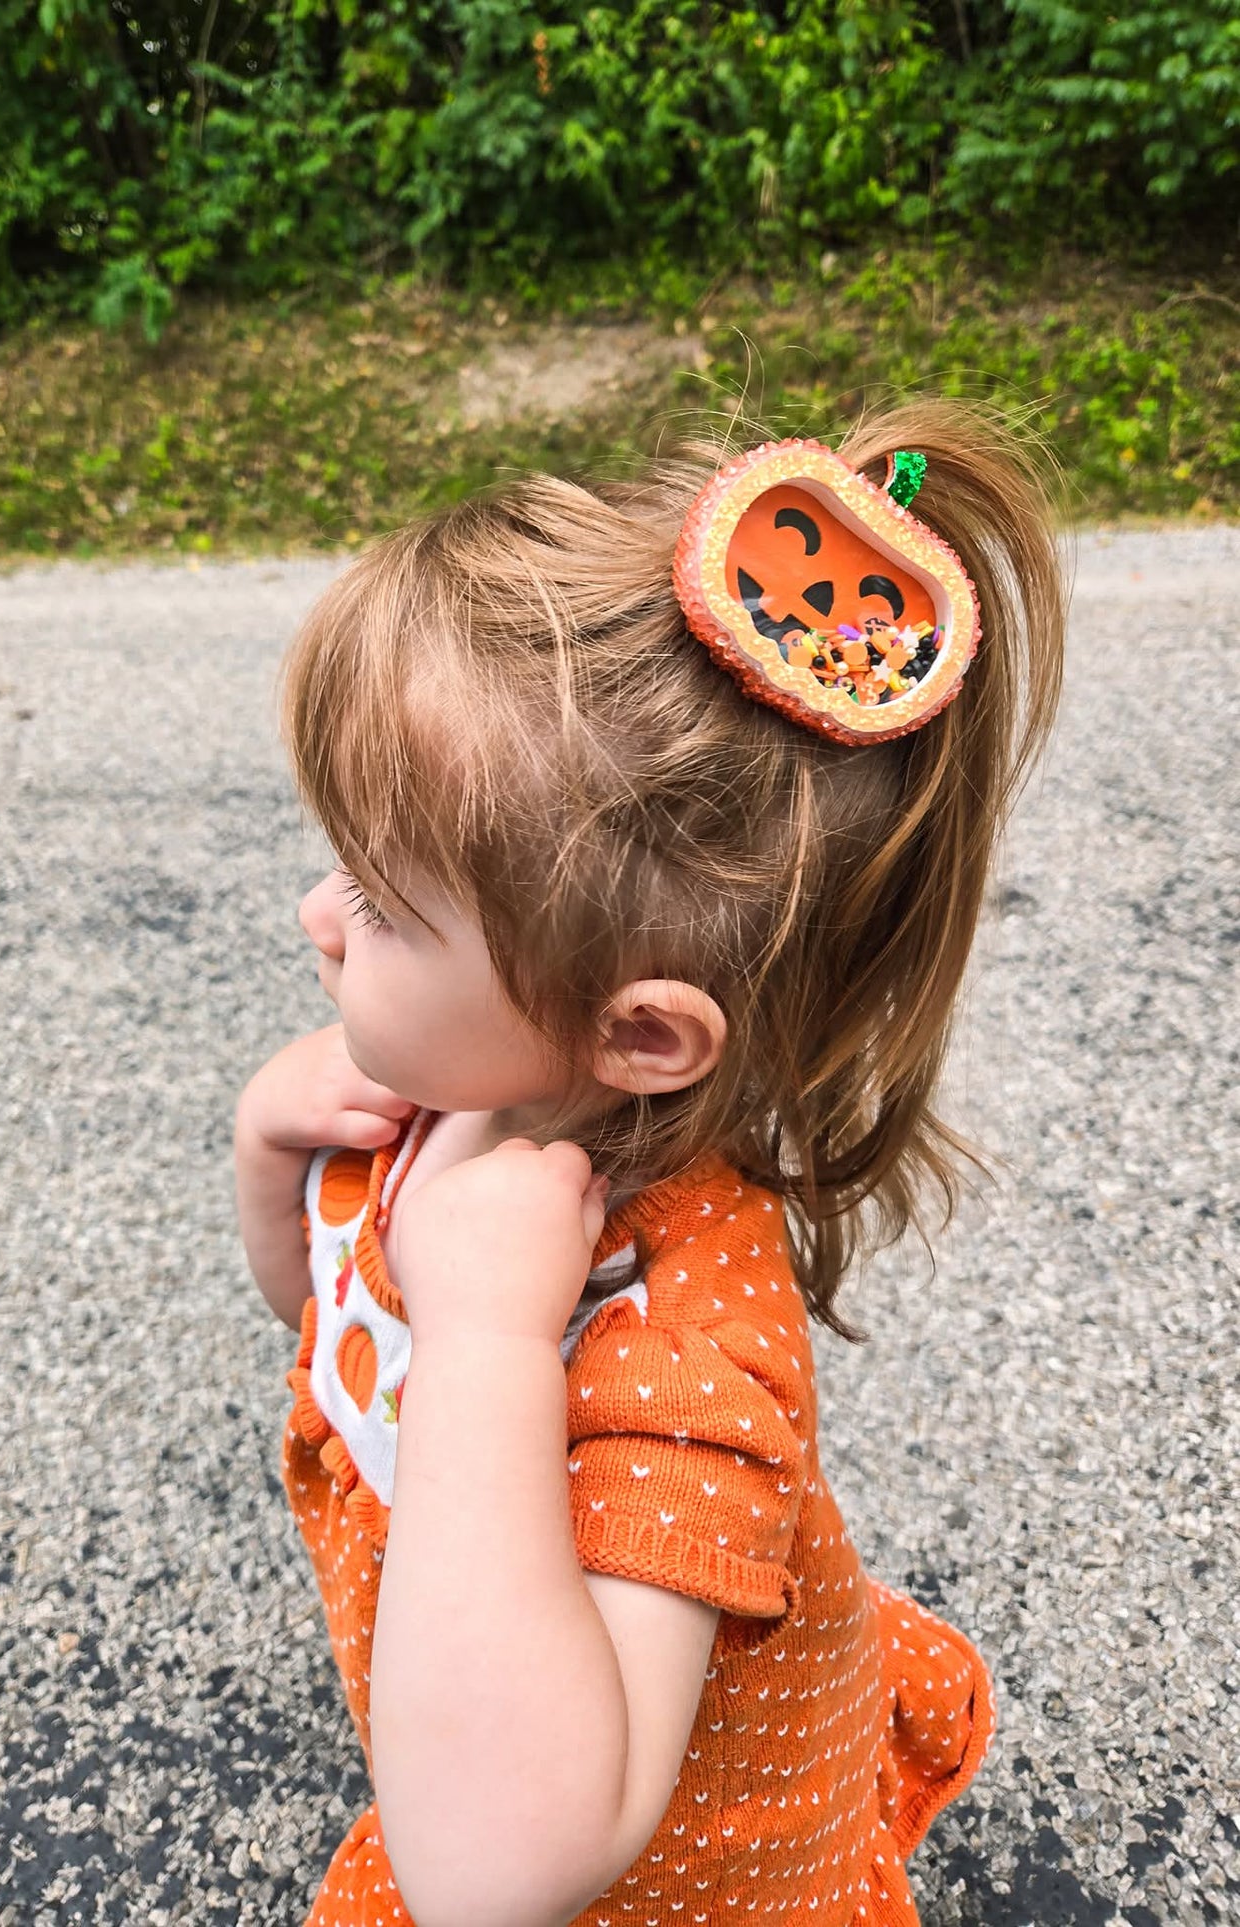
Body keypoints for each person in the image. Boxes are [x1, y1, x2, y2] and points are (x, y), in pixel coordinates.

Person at [233, 398, 1065, 1927]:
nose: (317, 914)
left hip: (687, 1879)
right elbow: (342, 1348)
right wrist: (267, 1169)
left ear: (640, 1037)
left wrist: (487, 1338)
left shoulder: (675, 1340)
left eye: (385, 907)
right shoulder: (462, 1094)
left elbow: (500, 1872)